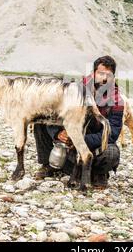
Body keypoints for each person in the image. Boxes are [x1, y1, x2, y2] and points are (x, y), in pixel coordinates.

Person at [33, 56, 124, 189]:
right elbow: (55, 114)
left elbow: (112, 133)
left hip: (90, 148)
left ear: (113, 76)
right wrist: (58, 134)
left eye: (108, 75)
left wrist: (79, 139)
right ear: (93, 73)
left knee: (112, 152)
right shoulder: (74, 90)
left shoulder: (117, 101)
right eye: (100, 73)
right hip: (69, 150)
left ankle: (98, 173)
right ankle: (49, 165)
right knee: (40, 122)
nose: (104, 78)